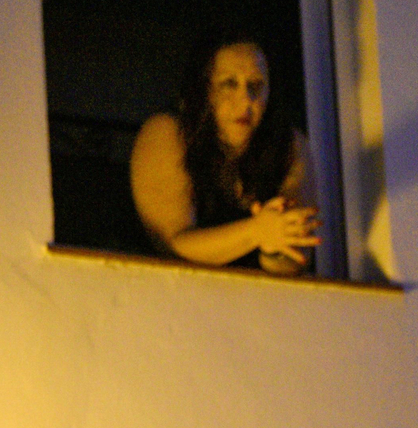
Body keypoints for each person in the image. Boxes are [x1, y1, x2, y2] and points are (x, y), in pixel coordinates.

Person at [129, 33, 320, 275]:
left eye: (256, 86)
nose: (245, 100)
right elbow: (172, 245)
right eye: (229, 83)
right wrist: (256, 232)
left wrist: (274, 248)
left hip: (260, 302)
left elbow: (294, 257)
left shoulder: (290, 144)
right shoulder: (168, 132)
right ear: (203, 89)